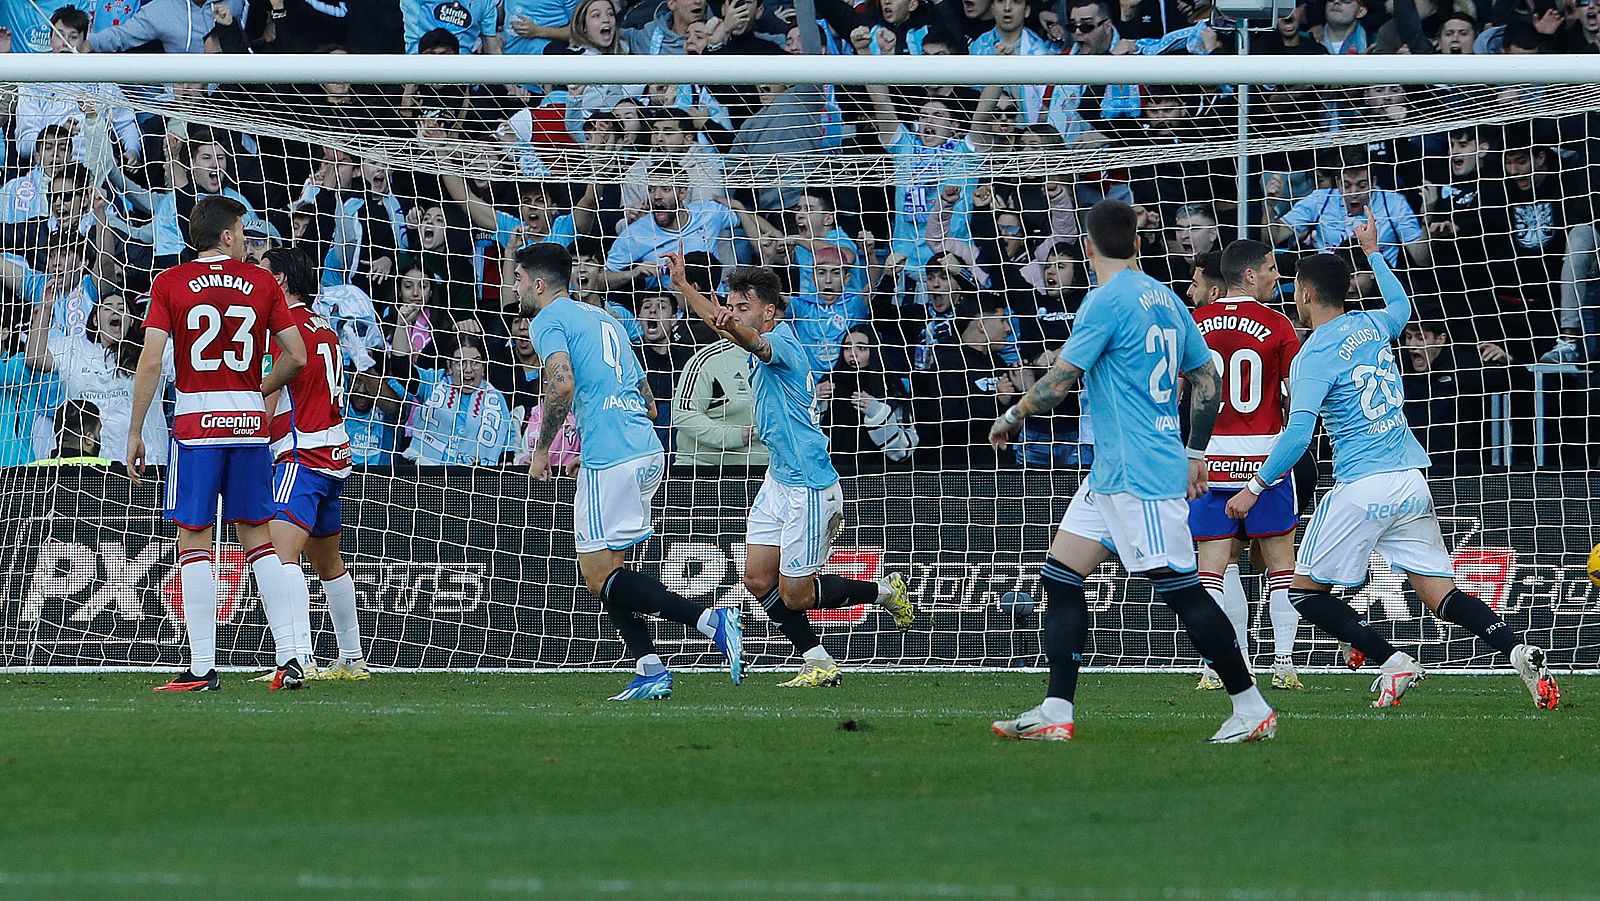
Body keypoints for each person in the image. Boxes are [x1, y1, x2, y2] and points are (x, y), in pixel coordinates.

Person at [1225, 211, 1560, 711]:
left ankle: (1391, 660)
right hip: (1410, 479)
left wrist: (1254, 487)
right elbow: (1402, 304)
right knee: (1440, 593)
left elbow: (1299, 434)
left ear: (1307, 295)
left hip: (1362, 485)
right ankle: (1516, 649)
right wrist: (1375, 252)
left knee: (1302, 591)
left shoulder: (1313, 353)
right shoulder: (1373, 324)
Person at [987, 199, 1275, 744]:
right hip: (1116, 473)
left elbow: (1061, 378)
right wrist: (1194, 451)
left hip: (1138, 474)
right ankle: (1056, 708)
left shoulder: (1104, 301)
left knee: (1181, 591)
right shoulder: (1167, 300)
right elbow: (1207, 377)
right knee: (1060, 575)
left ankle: (1250, 704)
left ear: (1089, 247)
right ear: (1138, 244)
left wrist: (1013, 414)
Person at [666, 252, 914, 688]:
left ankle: (884, 592)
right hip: (778, 481)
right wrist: (685, 286)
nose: (731, 314)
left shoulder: (781, 343)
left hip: (809, 487)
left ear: (768, 310)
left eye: (742, 307)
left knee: (796, 593)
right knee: (757, 579)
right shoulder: (747, 335)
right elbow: (723, 326)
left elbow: (749, 340)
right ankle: (818, 661)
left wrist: (729, 323)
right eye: (731, 305)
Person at [515, 242, 742, 700]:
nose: (514, 286)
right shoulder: (603, 317)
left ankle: (707, 619)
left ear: (538, 284)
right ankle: (649, 667)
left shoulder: (547, 320)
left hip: (613, 455)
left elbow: (562, 383)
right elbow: (647, 395)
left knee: (599, 576)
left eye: (517, 278)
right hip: (644, 447)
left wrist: (542, 450)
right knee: (610, 570)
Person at [127, 195, 310, 693]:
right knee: (259, 539)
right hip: (250, 427)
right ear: (227, 236)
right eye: (243, 231)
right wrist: (256, 392)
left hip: (196, 427)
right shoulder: (263, 282)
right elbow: (295, 356)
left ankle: (204, 668)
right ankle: (290, 657)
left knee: (194, 541)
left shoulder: (169, 282)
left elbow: (149, 362)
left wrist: (135, 429)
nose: (248, 239)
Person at [1185, 240, 1305, 692]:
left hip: (1210, 459)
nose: (1278, 276)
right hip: (1265, 459)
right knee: (1279, 566)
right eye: (1272, 268)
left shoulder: (1195, 322)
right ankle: (1285, 664)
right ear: (1250, 275)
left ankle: (1218, 666)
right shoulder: (1277, 324)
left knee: (1212, 567)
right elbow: (1297, 393)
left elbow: (1181, 389)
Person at [261, 248, 368, 681]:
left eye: (264, 273)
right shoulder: (324, 328)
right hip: (334, 455)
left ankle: (298, 658)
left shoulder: (281, 332)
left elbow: (268, 401)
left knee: (277, 557)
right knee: (328, 562)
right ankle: (351, 657)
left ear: (282, 281)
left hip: (300, 457)